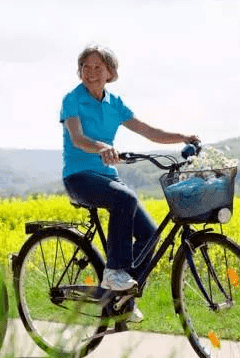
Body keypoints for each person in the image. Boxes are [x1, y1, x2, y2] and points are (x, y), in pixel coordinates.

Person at [60, 45, 199, 322]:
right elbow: (77, 138)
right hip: (78, 176)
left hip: (108, 177)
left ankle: (122, 298)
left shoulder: (116, 104)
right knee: (125, 199)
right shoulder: (72, 100)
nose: (90, 72)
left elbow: (148, 131)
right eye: (86, 67)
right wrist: (102, 147)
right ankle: (114, 273)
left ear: (110, 73)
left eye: (98, 67)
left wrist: (182, 137)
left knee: (150, 236)